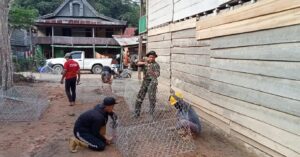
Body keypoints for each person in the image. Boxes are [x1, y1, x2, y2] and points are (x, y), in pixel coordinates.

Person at [133, 51, 160, 118]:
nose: (151, 58)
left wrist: (152, 72)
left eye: (153, 57)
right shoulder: (145, 62)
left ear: (155, 58)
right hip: (145, 81)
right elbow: (135, 62)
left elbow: (157, 75)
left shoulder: (156, 65)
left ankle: (151, 114)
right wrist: (144, 62)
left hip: (152, 82)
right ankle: (136, 113)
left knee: (152, 98)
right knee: (140, 97)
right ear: (148, 57)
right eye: (150, 57)